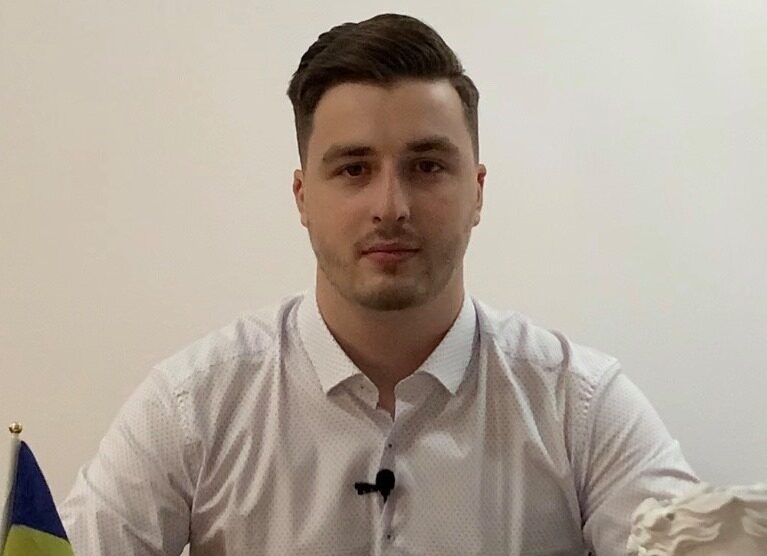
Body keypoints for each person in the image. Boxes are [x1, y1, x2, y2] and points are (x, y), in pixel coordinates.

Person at [61, 13, 699, 555]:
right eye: (354, 169)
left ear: (477, 191)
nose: (390, 206)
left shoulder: (580, 408)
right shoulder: (193, 408)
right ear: (302, 195)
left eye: (427, 166)